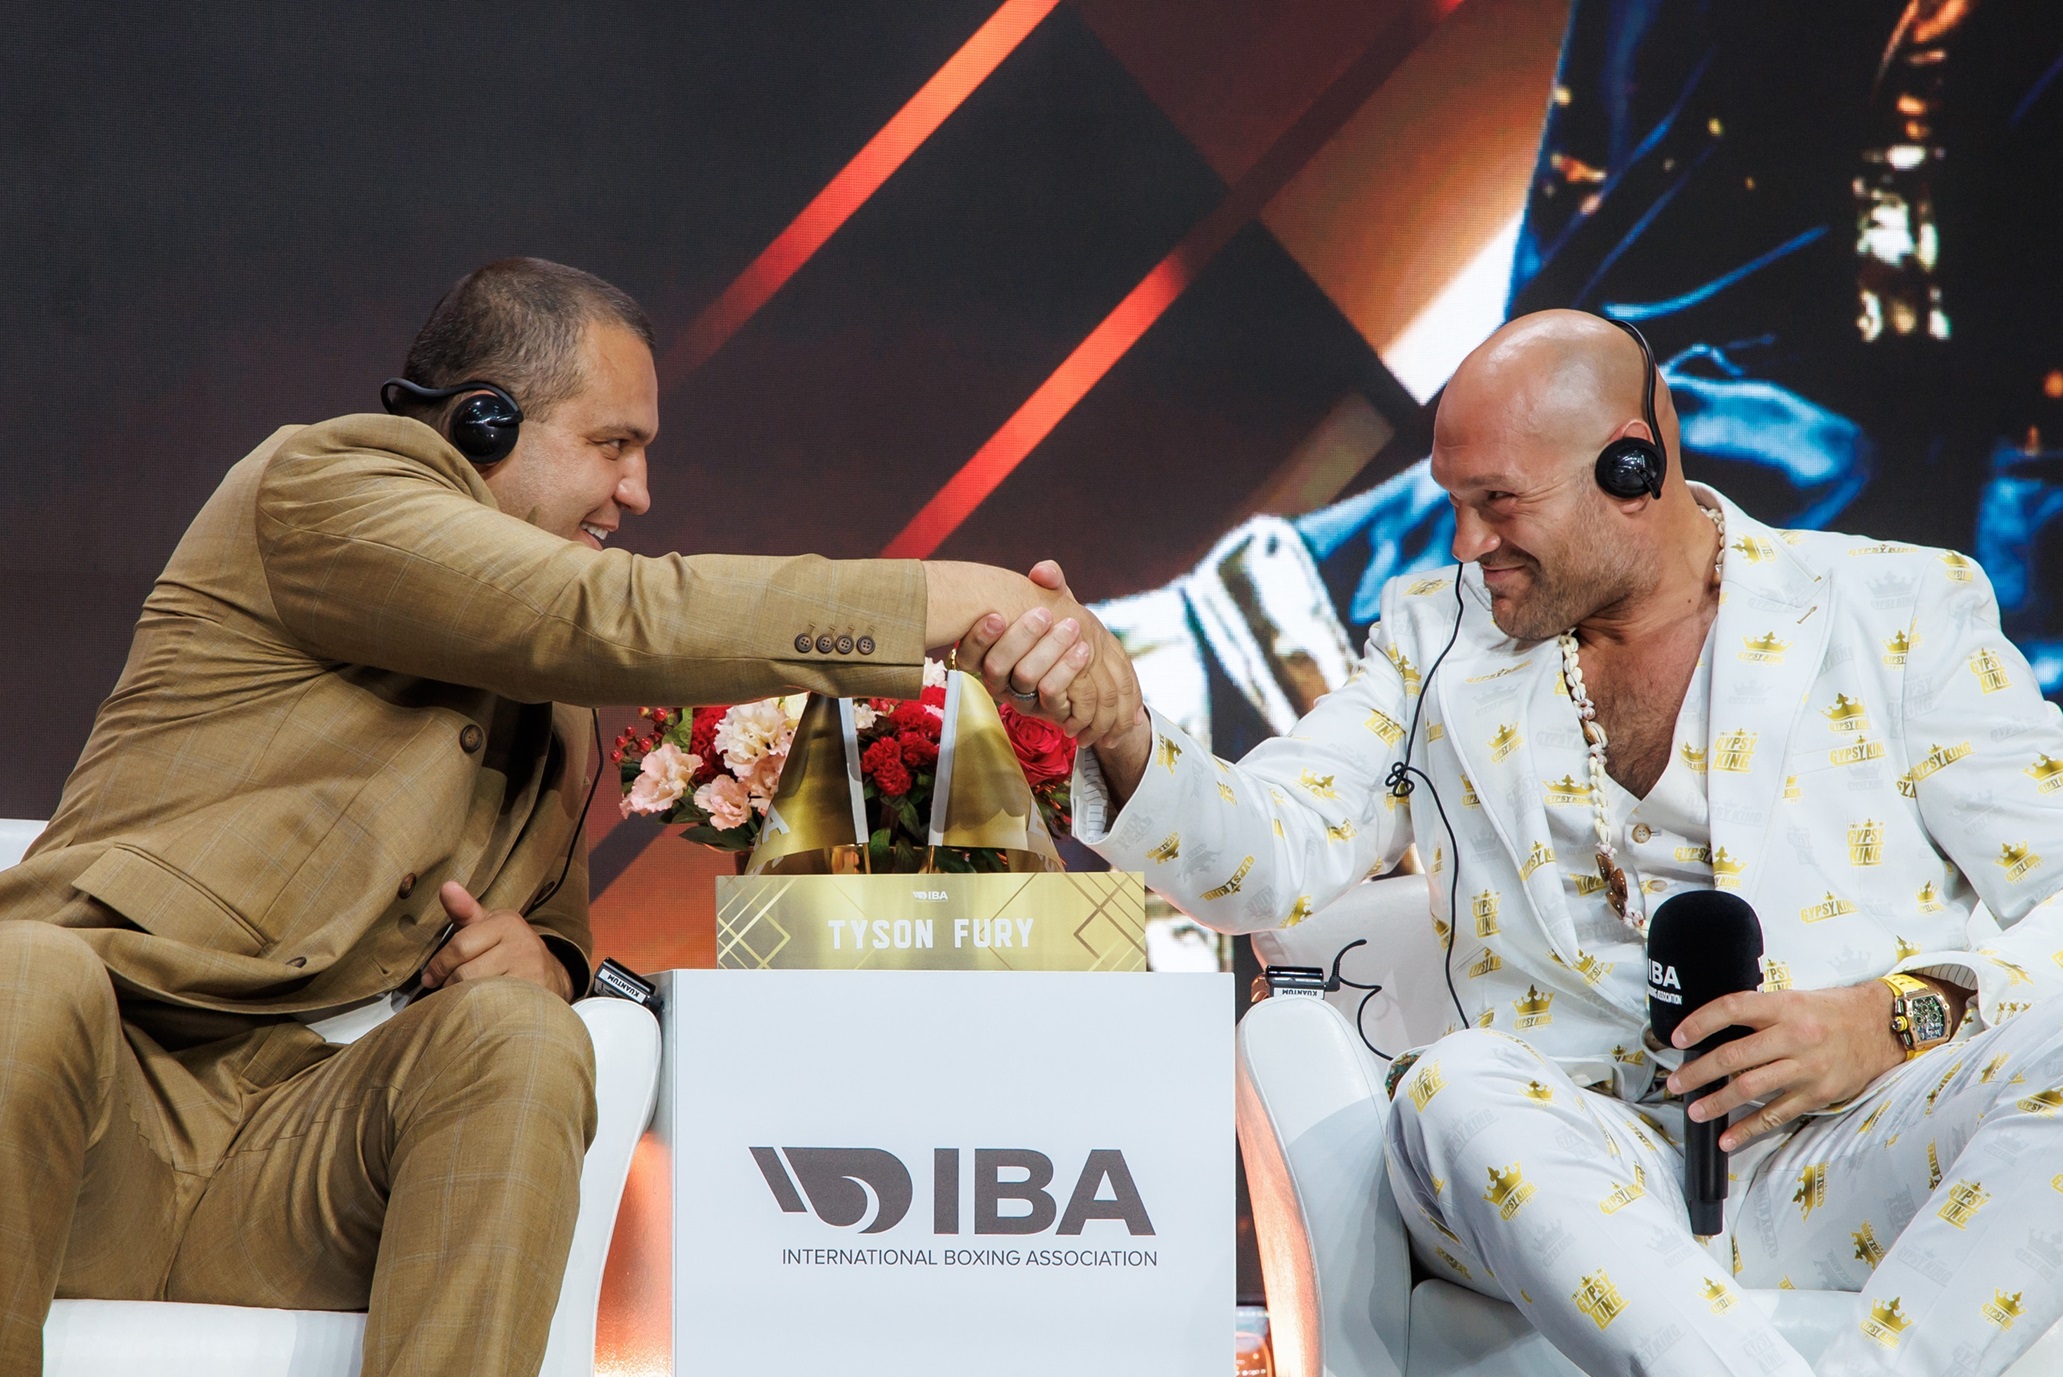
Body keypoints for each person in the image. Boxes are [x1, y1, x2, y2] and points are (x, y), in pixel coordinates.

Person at [0, 257, 1138, 1376]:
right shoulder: (321, 485)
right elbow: (600, 616)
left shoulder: (555, 714)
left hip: (296, 1167)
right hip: (92, 1101)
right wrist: (965, 597)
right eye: (613, 444)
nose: (638, 492)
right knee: (25, 974)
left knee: (520, 1037)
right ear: (483, 422)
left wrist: (541, 961)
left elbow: (555, 923)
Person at [970, 309, 2063, 1375]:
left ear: (1631, 468)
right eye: (1452, 503)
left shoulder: (1895, 607)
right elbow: (1266, 856)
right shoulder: (1432, 637)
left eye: (1497, 503)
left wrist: (1895, 1016)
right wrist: (1121, 727)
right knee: (1455, 1086)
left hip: (1854, 1139)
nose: (1466, 543)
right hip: (1558, 1161)